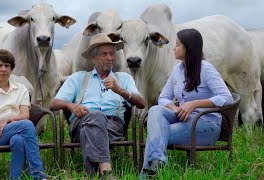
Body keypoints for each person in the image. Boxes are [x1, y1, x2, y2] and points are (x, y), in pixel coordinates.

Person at [50, 33, 145, 178]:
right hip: (81, 122)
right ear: (93, 58)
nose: (109, 58)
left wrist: (120, 90)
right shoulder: (78, 78)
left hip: (112, 127)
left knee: (89, 128)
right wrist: (72, 106)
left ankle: (94, 174)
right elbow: (53, 104)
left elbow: (142, 103)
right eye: (104, 54)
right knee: (95, 117)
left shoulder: (124, 78)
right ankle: (106, 171)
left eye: (112, 54)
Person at [140, 29, 233, 177]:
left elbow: (227, 98)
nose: (173, 48)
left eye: (177, 45)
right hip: (183, 118)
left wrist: (194, 104)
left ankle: (149, 175)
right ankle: (157, 164)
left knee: (156, 135)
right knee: (155, 110)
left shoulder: (206, 69)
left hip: (205, 125)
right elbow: (163, 98)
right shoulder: (177, 69)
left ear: (188, 48)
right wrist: (174, 108)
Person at [0, 49, 47, 180]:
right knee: (27, 125)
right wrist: (8, 123)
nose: (3, 69)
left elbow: (25, 115)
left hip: (17, 131)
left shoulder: (21, 89)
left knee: (18, 140)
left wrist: (6, 120)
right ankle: (39, 175)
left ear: (11, 69)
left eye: (7, 66)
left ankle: (15, 178)